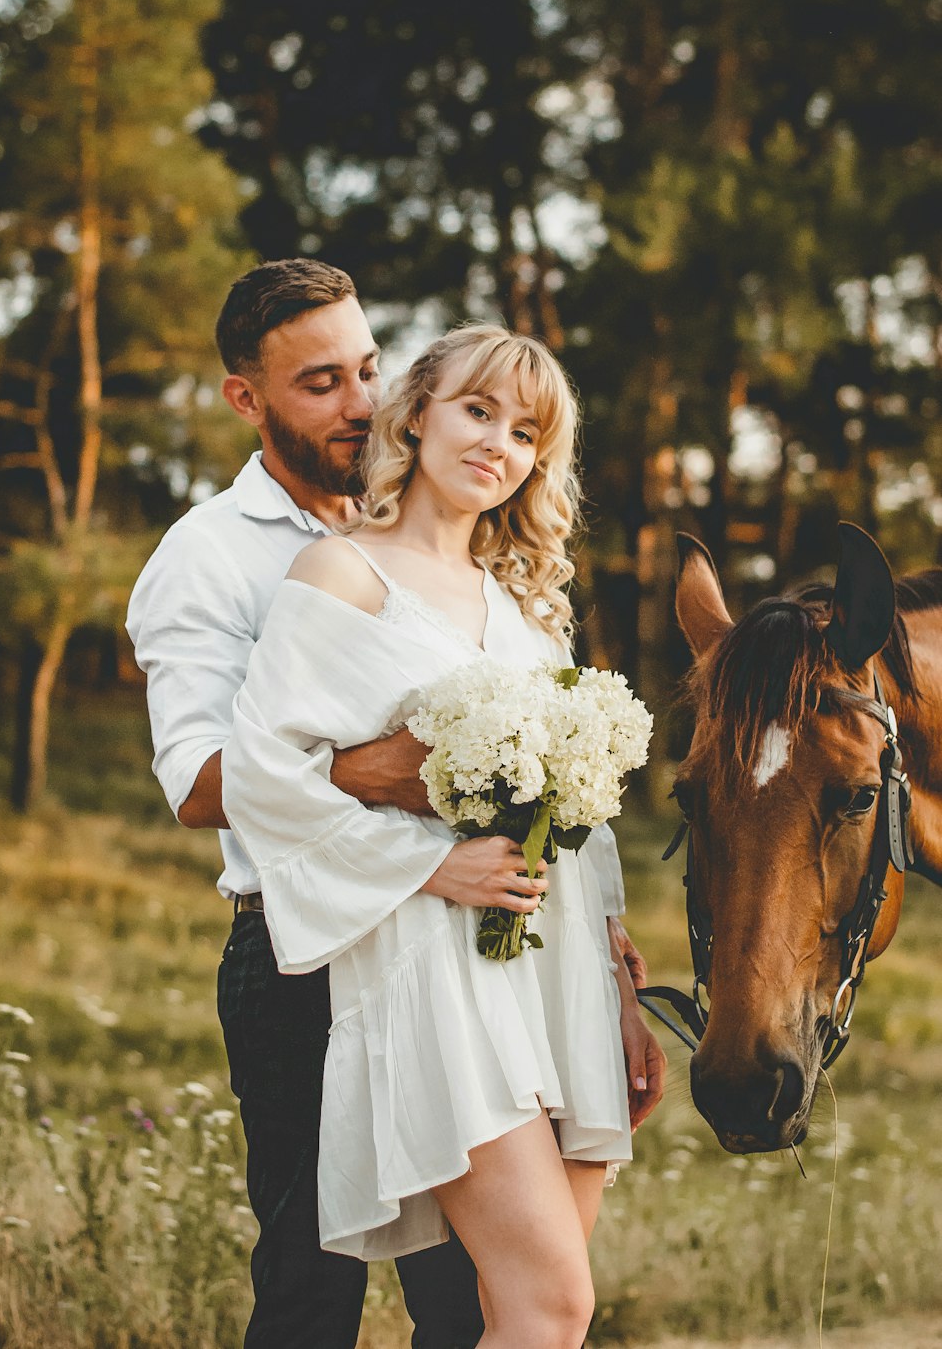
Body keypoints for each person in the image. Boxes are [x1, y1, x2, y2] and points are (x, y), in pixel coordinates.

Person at [126, 260, 662, 1349]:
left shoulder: (516, 595)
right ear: (250, 396)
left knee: (488, 1307)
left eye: (368, 368)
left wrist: (611, 967)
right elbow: (204, 780)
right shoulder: (222, 555)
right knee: (312, 1295)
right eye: (319, 382)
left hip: (512, 959)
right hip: (309, 950)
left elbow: (576, 815)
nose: (356, 401)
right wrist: (413, 799)